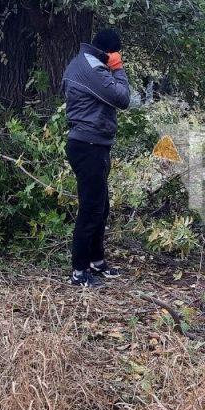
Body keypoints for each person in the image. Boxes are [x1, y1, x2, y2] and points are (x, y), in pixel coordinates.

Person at [62, 28, 130, 288]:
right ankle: (79, 272)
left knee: (101, 207)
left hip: (93, 144)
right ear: (110, 53)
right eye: (116, 54)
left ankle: (96, 261)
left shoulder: (83, 63)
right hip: (88, 145)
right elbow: (122, 98)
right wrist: (118, 68)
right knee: (90, 210)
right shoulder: (92, 68)